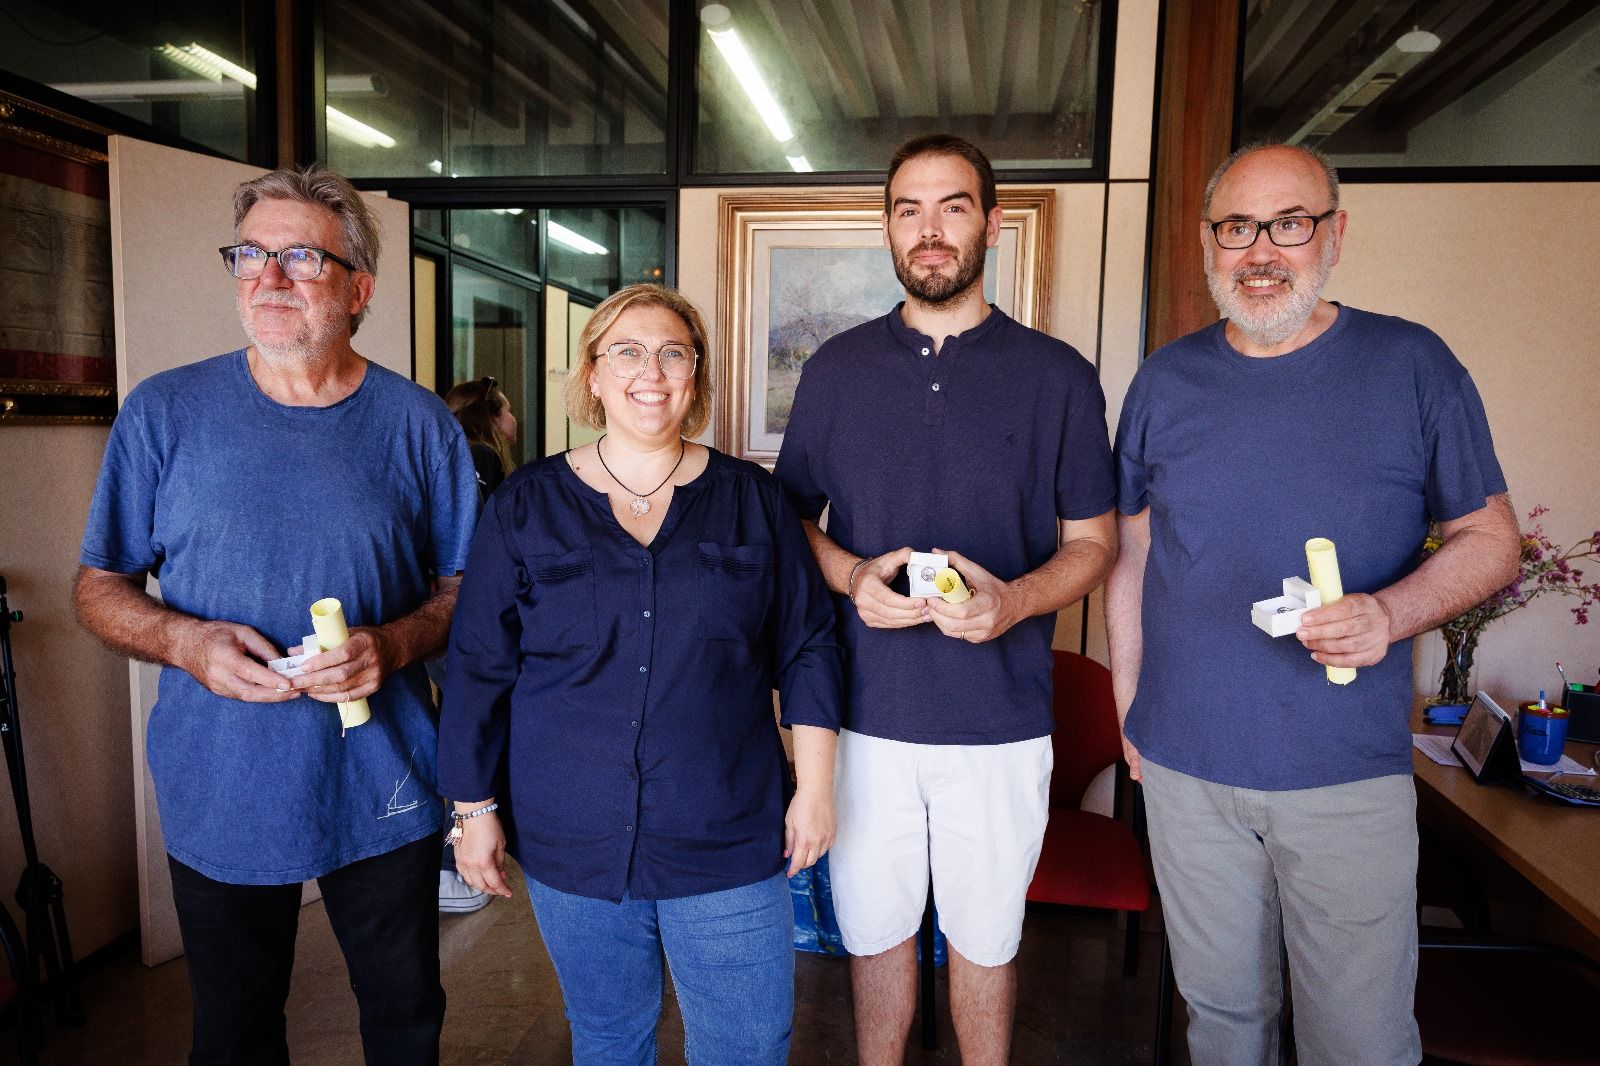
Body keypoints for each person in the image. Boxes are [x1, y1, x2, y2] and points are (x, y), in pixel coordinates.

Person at [1105, 143, 1521, 1065]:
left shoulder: (1413, 365)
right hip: (1186, 769)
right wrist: (1127, 702)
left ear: (1334, 234)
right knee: (1221, 1023)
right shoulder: (1164, 382)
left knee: (1360, 1042)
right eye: (1236, 228)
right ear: (1208, 244)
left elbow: (1493, 542)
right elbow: (1133, 550)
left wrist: (1388, 615)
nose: (1261, 251)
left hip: (1343, 776)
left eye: (1289, 224)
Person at [74, 165, 478, 1065]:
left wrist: (393, 643)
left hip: (384, 773)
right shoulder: (164, 413)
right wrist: (183, 641)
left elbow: (467, 593)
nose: (269, 277)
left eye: (301, 257)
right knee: (234, 1024)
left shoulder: (419, 427)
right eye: (251, 254)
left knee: (405, 1009)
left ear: (359, 288)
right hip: (220, 777)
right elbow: (97, 586)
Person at [774, 134, 1118, 1065]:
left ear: (991, 222)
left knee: (986, 937)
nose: (928, 232)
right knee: (875, 932)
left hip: (1001, 720)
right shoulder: (836, 370)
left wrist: (1012, 604)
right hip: (863, 712)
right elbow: (789, 523)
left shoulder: (1058, 375)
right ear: (886, 227)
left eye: (952, 207)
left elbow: (1094, 543)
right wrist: (850, 576)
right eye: (907, 210)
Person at [438, 283, 841, 1066]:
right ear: (592, 374)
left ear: (695, 377)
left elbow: (808, 646)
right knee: (609, 1039)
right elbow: (480, 667)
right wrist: (471, 810)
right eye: (625, 350)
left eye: (672, 352)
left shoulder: (753, 501)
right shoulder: (525, 506)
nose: (648, 371)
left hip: (725, 828)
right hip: (572, 832)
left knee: (748, 1045)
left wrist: (817, 791)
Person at [445, 375, 517, 501]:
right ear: (492, 418)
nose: (513, 418)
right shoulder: (481, 455)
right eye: (509, 410)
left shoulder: (454, 450)